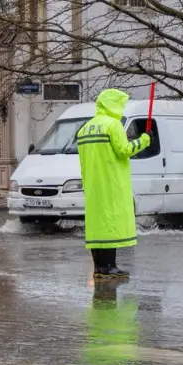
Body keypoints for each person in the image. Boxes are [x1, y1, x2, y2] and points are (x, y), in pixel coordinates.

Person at [76, 88, 150, 278]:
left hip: (93, 184)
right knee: (110, 224)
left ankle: (99, 267)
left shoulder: (85, 128)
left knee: (97, 225)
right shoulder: (113, 125)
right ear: (113, 104)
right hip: (112, 182)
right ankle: (110, 266)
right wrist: (143, 140)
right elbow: (124, 150)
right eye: (120, 104)